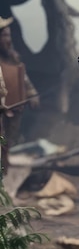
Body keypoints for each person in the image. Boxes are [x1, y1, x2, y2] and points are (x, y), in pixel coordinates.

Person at [0, 16, 39, 174]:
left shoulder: (12, 57)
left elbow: (22, 77)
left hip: (13, 110)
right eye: (4, 35)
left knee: (7, 144)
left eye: (8, 35)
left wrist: (32, 94)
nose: (8, 39)